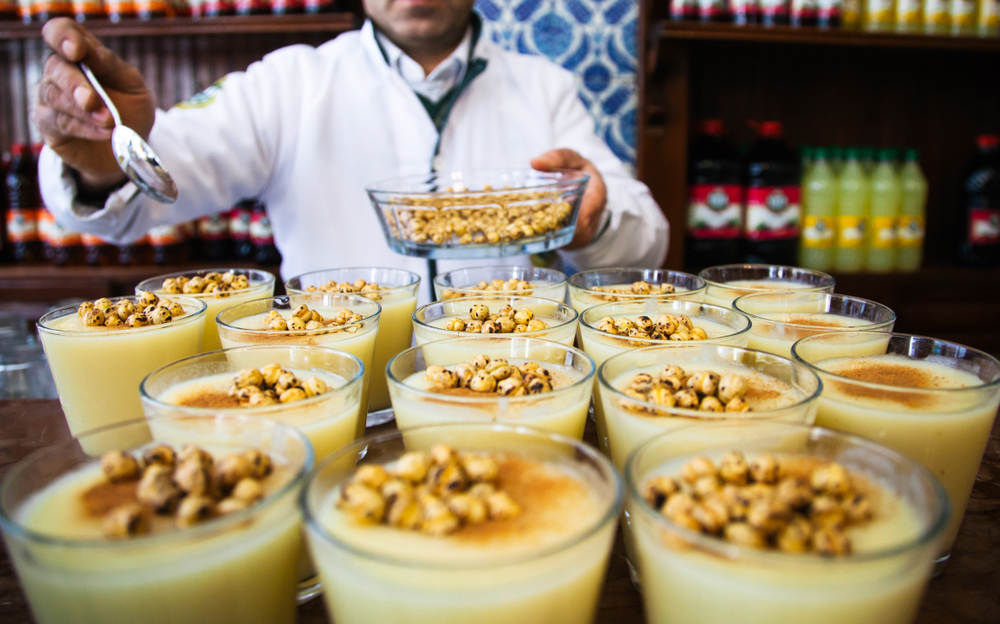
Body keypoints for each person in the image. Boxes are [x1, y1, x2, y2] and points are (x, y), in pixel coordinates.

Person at [33, 0, 668, 291]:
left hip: (510, 388)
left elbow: (649, 242)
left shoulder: (545, 88)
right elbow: (151, 192)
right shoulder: (290, 83)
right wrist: (101, 158)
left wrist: (595, 224)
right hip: (334, 395)